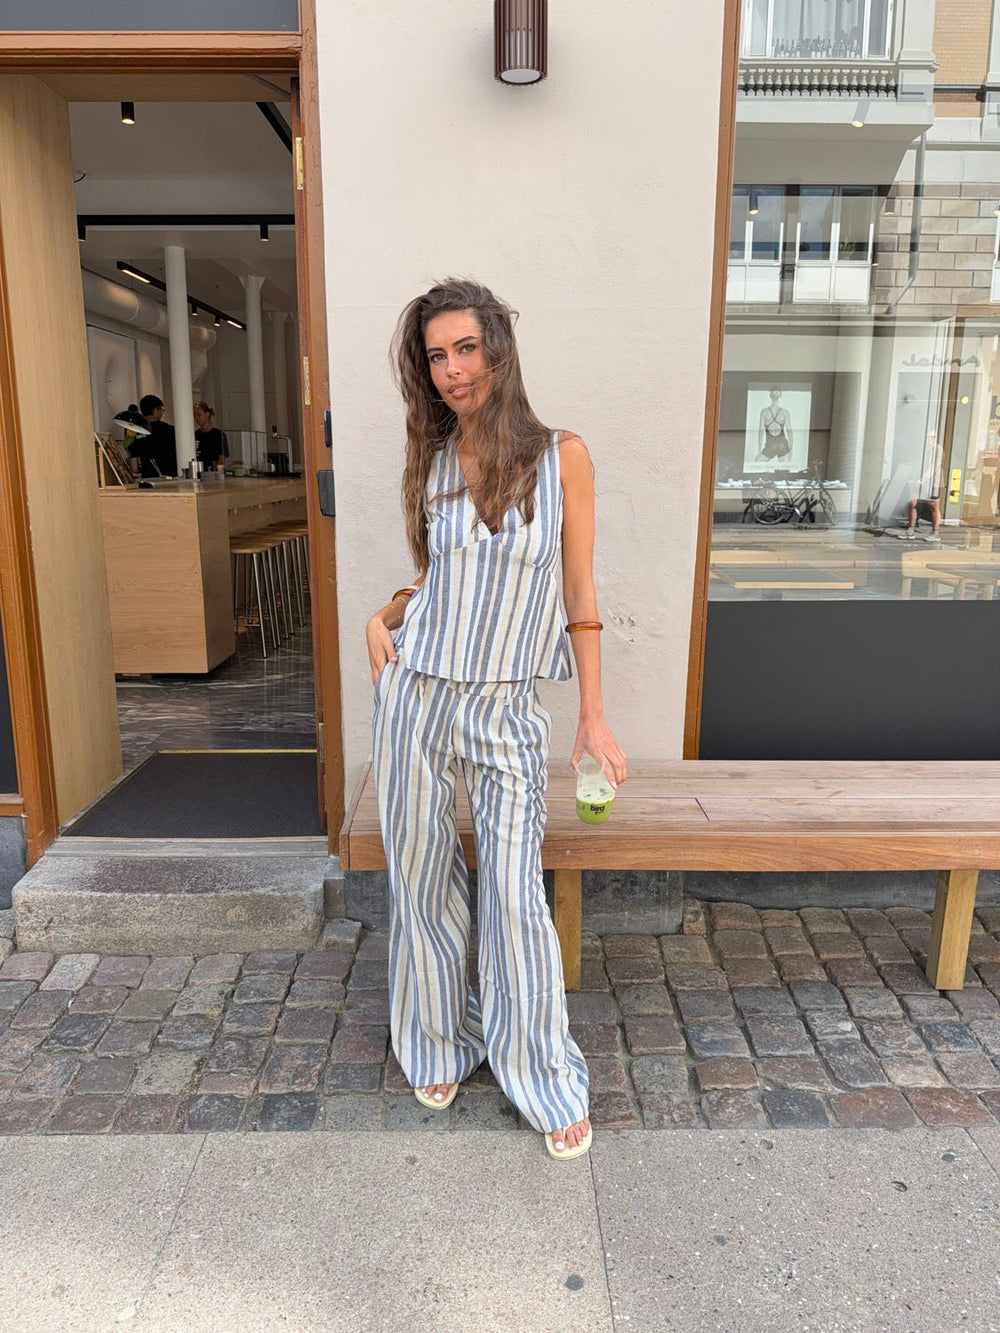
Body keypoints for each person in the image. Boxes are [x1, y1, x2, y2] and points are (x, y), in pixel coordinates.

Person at [365, 279, 628, 1160]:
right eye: (436, 356)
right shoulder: (433, 459)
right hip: (416, 696)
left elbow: (579, 593)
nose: (451, 370)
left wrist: (593, 717)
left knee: (514, 895)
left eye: (465, 348)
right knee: (422, 876)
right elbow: (440, 578)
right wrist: (383, 616)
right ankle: (441, 1039)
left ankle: (542, 1071)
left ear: (499, 349)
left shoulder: (562, 457)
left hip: (506, 703)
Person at [140, 394, 177, 477]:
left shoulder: (136, 430)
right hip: (168, 474)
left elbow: (134, 461)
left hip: (146, 476)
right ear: (155, 410)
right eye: (161, 409)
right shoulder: (168, 430)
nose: (162, 413)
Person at [193, 400, 229, 471]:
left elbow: (221, 460)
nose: (196, 418)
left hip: (213, 472)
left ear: (207, 415)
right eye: (195, 415)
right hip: (198, 471)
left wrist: (217, 472)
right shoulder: (195, 435)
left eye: (199, 415)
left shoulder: (219, 435)